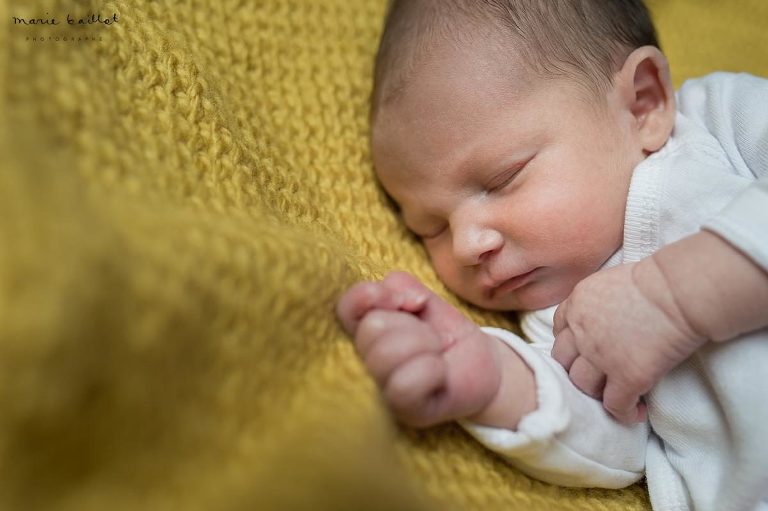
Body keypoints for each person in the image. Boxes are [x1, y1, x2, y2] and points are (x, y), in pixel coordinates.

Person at [335, 1, 768, 510]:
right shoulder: (557, 317)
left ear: (643, 104)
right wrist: (495, 380)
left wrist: (669, 300)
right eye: (430, 228)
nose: (468, 245)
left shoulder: (721, 124)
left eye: (502, 178)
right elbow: (617, 443)